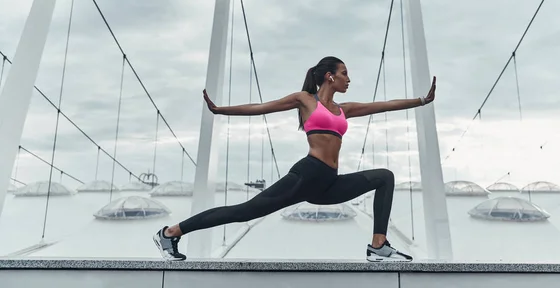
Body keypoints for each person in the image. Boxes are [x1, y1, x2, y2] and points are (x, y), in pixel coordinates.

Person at [153, 56, 436, 262]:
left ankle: (378, 245)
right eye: (345, 73)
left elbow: (384, 105)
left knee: (383, 177)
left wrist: (422, 101)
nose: (349, 79)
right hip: (307, 175)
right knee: (243, 212)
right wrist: (220, 111)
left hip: (328, 184)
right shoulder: (305, 100)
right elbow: (262, 107)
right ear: (329, 76)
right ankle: (170, 233)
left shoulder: (343, 109)